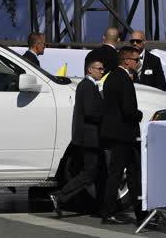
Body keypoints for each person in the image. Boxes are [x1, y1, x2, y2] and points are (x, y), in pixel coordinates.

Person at [50, 59, 105, 217]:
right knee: (89, 172)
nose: (102, 71)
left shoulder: (88, 86)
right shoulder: (87, 86)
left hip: (88, 137)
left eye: (102, 69)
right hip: (89, 137)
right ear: (90, 70)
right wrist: (106, 115)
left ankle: (66, 197)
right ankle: (60, 196)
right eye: (99, 68)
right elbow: (90, 112)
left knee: (88, 171)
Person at [100, 46, 147, 225]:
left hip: (116, 134)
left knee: (117, 174)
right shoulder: (123, 79)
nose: (138, 62)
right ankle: (116, 212)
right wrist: (139, 114)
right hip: (125, 135)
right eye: (136, 59)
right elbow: (128, 111)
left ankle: (118, 212)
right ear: (126, 60)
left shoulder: (112, 77)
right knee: (129, 175)